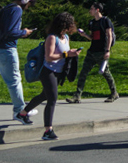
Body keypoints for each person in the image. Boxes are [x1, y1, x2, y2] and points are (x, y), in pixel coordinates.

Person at [20, 11, 82, 141]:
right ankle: (48, 131)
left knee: (44, 95)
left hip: (58, 72)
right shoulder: (52, 38)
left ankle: (23, 113)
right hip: (48, 71)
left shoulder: (66, 37)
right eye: (70, 24)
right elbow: (49, 57)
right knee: (52, 99)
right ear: (64, 24)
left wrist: (73, 54)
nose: (72, 27)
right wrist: (66, 54)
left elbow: (65, 53)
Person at [67, 2, 118, 103]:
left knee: (106, 73)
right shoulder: (92, 22)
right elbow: (92, 37)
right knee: (83, 73)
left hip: (102, 52)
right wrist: (84, 35)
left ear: (97, 10)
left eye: (91, 9)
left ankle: (114, 93)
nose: (90, 11)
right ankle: (77, 96)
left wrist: (107, 50)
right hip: (92, 51)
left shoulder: (105, 21)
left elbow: (109, 36)